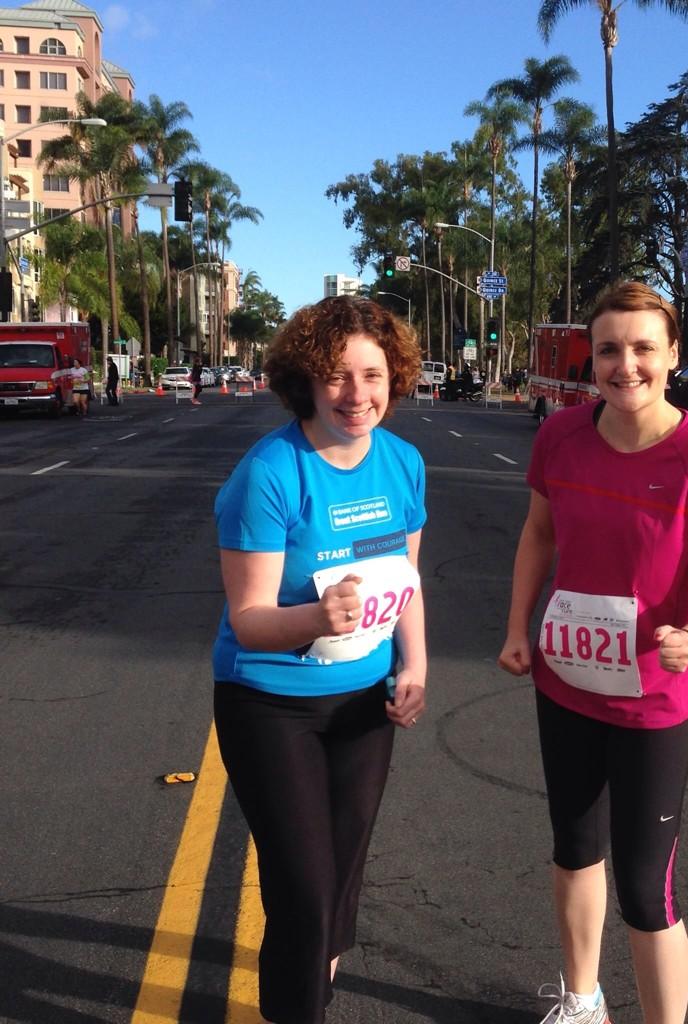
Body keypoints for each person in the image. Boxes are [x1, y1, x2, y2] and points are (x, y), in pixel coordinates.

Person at [498, 281, 688, 1024]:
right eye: (609, 349)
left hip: (655, 701)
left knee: (645, 888)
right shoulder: (560, 436)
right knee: (574, 846)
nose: (625, 365)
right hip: (566, 681)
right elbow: (539, 536)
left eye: (644, 348)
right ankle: (582, 1002)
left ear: (674, 355)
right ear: (591, 359)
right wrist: (518, 629)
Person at [212, 295, 427, 1024]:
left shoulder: (403, 465)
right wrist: (316, 616)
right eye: (336, 377)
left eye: (372, 375)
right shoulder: (269, 473)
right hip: (270, 702)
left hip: (365, 702)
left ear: (394, 377)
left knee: (338, 885)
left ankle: (309, 984)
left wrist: (415, 666)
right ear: (305, 380)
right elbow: (249, 621)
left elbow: (408, 584)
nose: (357, 395)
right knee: (304, 891)